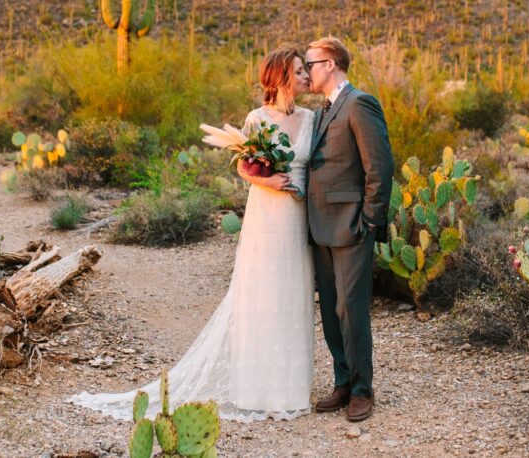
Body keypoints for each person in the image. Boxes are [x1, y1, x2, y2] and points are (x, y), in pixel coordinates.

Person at [67, 44, 316, 421]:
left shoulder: (312, 118)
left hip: (298, 217)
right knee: (263, 293)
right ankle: (258, 388)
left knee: (293, 292)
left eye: (305, 71)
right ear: (281, 75)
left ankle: (290, 388)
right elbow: (243, 169)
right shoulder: (256, 118)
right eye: (298, 71)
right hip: (266, 215)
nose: (305, 77)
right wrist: (270, 181)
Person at [304, 36, 393, 422]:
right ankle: (342, 381)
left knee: (351, 310)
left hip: (352, 225)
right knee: (330, 310)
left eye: (309, 63)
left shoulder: (359, 103)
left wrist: (370, 221)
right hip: (320, 227)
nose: (305, 70)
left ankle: (362, 390)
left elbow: (380, 166)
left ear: (331, 63)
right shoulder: (324, 110)